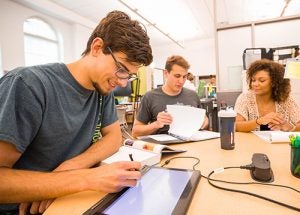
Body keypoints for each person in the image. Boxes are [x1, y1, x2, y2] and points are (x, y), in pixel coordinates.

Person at [0, 10, 152, 215]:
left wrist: (70, 167)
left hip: (71, 199)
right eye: (121, 69)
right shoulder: (29, 84)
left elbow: (114, 137)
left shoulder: (102, 90)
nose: (123, 82)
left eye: (130, 76)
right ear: (97, 47)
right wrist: (86, 177)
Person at [132, 55, 208, 138]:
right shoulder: (150, 97)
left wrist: (204, 121)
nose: (181, 81)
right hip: (164, 148)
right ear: (166, 73)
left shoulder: (193, 95)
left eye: (184, 76)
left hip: (191, 144)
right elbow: (135, 132)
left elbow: (204, 118)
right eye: (177, 76)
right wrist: (156, 124)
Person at [234, 59, 300, 132]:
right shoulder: (245, 98)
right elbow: (236, 126)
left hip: (278, 143)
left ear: (274, 82)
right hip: (251, 143)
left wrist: (290, 127)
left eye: (262, 80)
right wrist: (259, 121)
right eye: (253, 80)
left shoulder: (286, 100)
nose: (255, 84)